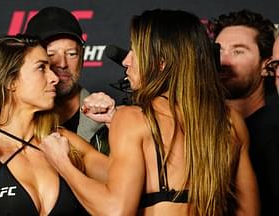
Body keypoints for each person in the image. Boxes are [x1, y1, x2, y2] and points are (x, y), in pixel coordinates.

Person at [40, 9, 259, 216]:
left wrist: (62, 162)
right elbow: (249, 212)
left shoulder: (132, 119)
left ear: (161, 63)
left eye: (136, 51)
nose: (126, 61)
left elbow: (115, 210)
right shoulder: (231, 121)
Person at [0, 34, 107, 216]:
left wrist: (115, 121)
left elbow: (128, 188)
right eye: (41, 68)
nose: (54, 77)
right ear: (10, 82)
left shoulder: (62, 141)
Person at [213, 9, 279, 215]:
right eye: (218, 50)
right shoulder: (203, 130)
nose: (223, 61)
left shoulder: (275, 131)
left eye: (238, 51)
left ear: (266, 66)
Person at [25, 6, 114, 155]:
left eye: (71, 54)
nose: (62, 64)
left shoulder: (107, 120)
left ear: (82, 57)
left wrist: (115, 126)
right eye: (50, 54)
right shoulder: (13, 123)